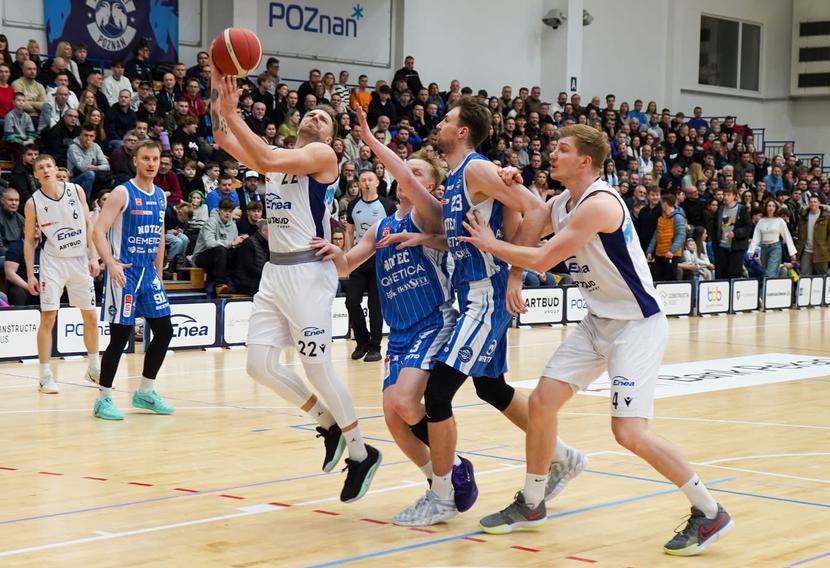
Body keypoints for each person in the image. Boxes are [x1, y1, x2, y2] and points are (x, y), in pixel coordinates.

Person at [461, 124, 733, 556]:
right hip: (598, 320)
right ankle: (532, 503)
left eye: (562, 149)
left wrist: (491, 245)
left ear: (584, 161)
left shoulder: (599, 204)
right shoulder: (563, 201)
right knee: (540, 402)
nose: (552, 154)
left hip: (636, 326)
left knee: (628, 431)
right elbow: (532, 219)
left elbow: (545, 257)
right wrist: (513, 261)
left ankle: (709, 510)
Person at [390, 96, 585, 527]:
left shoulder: (477, 169)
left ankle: (442, 495)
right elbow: (513, 220)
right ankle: (563, 458)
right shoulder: (465, 176)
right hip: (473, 293)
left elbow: (534, 208)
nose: (438, 124)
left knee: (438, 394)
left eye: (446, 119)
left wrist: (516, 274)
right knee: (491, 388)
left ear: (462, 132)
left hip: (487, 294)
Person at [210, 72, 381, 502]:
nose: (317, 117)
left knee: (317, 367)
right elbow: (223, 137)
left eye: (325, 117)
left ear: (331, 135)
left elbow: (263, 157)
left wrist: (234, 114)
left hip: (309, 273)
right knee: (258, 366)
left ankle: (361, 453)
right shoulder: (279, 158)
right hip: (276, 272)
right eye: (312, 113)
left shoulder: (322, 155)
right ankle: (327, 424)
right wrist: (218, 84)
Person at [312, 105, 480, 515]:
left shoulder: (431, 217)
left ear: (431, 186)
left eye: (418, 173)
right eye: (408, 173)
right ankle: (437, 480)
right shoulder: (381, 225)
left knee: (406, 401)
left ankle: (455, 469)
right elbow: (349, 264)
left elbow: (407, 178)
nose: (410, 177)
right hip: (399, 331)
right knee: (393, 418)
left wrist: (370, 139)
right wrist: (336, 251)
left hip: (432, 321)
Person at [91, 140, 175, 420]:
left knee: (164, 331)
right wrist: (110, 263)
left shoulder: (161, 195)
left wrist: (159, 273)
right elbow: (98, 231)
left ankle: (145, 392)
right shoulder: (121, 193)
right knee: (119, 338)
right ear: (136, 161)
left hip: (148, 273)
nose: (152, 163)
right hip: (124, 273)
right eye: (146, 158)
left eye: (156, 158)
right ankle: (103, 398)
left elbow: (160, 236)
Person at [24, 154, 101, 392]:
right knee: (48, 317)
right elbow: (28, 241)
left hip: (79, 260)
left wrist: (94, 255)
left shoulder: (76, 190)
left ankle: (94, 368)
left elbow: (89, 224)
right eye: (40, 168)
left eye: (48, 165)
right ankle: (45, 374)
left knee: (90, 317)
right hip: (53, 263)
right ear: (36, 175)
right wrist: (30, 274)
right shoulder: (32, 203)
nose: (46, 170)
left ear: (56, 169)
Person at [344, 170, 395, 362]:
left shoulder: (387, 205)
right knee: (351, 301)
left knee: (375, 305)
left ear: (377, 183)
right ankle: (362, 341)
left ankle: (375, 346)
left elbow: (392, 230)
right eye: (363, 180)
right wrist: (348, 256)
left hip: (380, 260)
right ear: (359, 183)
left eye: (370, 180)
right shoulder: (352, 205)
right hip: (358, 259)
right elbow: (349, 232)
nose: (366, 183)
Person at [747, 198, 796, 279]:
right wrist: (751, 250)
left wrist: (792, 253)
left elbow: (787, 236)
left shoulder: (780, 221)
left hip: (775, 248)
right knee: (765, 271)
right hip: (763, 248)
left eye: (773, 206)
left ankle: (767, 290)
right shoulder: (761, 221)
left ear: (776, 208)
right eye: (769, 205)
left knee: (770, 273)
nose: (771, 207)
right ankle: (773, 287)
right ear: (766, 207)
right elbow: (756, 237)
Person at [233, 218, 270, 295]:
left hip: (259, 281)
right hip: (246, 283)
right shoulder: (249, 243)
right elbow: (249, 267)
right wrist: (267, 275)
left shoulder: (267, 244)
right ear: (263, 231)